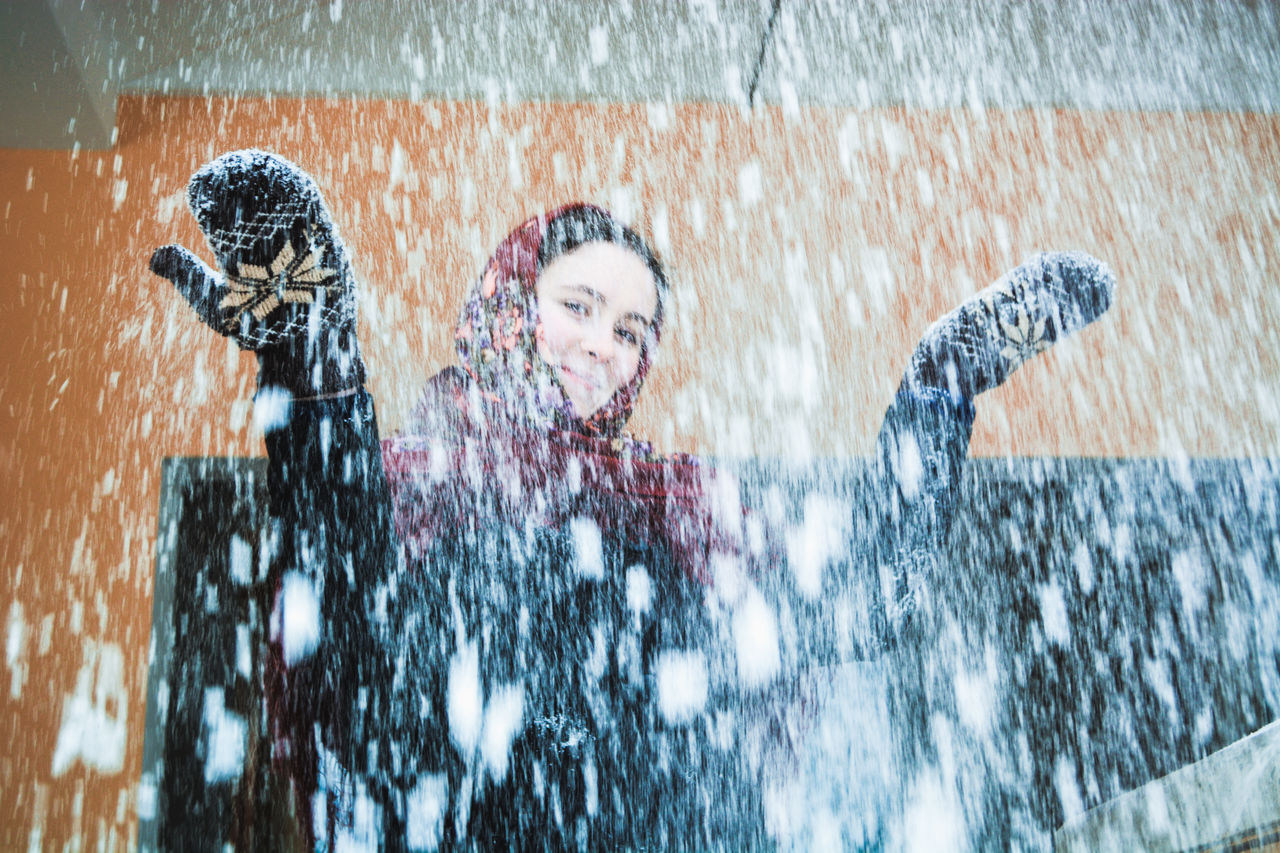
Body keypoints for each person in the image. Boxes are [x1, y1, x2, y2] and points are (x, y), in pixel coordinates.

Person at [151, 150, 1114, 850]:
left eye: (632, 328)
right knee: (351, 589)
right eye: (577, 306)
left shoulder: (676, 504)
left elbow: (871, 596)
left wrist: (934, 398)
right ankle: (317, 352)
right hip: (437, 808)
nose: (604, 344)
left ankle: (946, 375)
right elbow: (336, 641)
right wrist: (312, 383)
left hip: (655, 824)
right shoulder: (413, 478)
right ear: (512, 303)